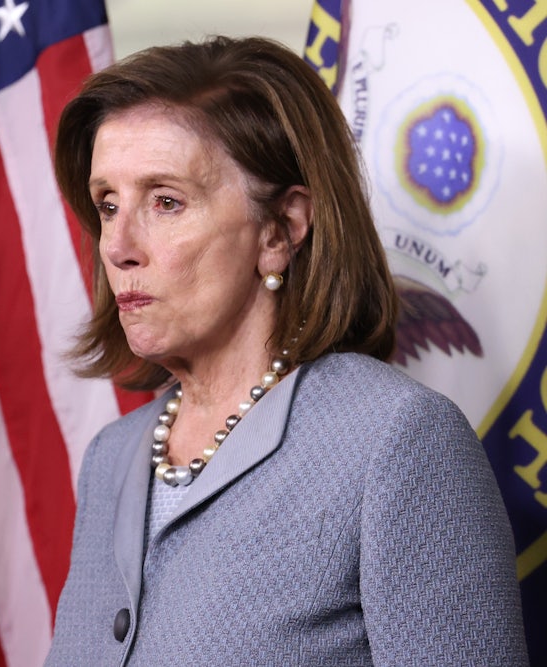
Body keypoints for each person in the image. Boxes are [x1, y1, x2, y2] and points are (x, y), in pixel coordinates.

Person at [45, 36, 528, 666]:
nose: (118, 245)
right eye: (108, 204)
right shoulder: (111, 458)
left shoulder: (397, 442)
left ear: (280, 230)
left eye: (165, 201)